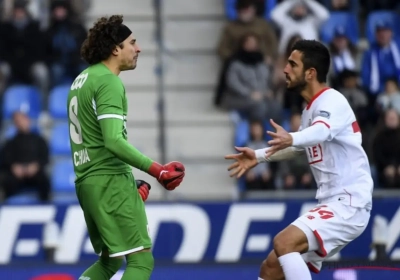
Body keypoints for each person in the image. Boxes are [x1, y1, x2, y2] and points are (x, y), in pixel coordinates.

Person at [225, 40, 373, 280]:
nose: (285, 69)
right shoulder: (309, 111)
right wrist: (259, 156)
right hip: (331, 203)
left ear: (310, 72)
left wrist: (293, 137)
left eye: (292, 64)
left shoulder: (332, 101)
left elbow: (321, 132)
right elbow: (302, 147)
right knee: (271, 268)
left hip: (348, 203)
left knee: (284, 242)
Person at [67, 15, 185, 280]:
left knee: (109, 262)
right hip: (109, 181)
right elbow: (113, 141)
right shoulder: (108, 82)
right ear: (115, 48)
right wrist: (158, 170)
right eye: (132, 42)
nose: (138, 48)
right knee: (141, 261)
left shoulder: (80, 81)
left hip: (88, 182)